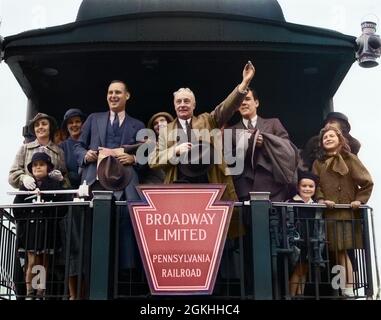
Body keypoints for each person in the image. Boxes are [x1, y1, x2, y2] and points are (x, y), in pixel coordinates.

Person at [149, 61, 255, 207]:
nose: (182, 104)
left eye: (187, 101)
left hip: (209, 182)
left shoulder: (208, 120)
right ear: (174, 105)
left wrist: (244, 82)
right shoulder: (166, 130)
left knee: (214, 226)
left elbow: (227, 106)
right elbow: (153, 160)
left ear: (194, 105)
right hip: (178, 186)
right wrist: (176, 150)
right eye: (178, 101)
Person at [74, 80, 145, 270]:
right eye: (110, 92)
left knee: (127, 221)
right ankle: (90, 268)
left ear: (127, 96)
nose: (113, 96)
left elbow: (147, 154)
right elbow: (78, 146)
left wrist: (133, 159)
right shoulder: (93, 119)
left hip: (125, 181)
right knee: (92, 225)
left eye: (118, 92)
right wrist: (85, 155)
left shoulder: (137, 124)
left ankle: (127, 271)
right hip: (95, 179)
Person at [312, 125, 373, 296]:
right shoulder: (318, 163)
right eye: (325, 137)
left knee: (343, 250)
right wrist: (322, 199)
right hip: (329, 214)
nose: (328, 139)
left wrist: (358, 201)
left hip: (346, 212)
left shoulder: (349, 158)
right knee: (336, 251)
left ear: (340, 139)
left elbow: (367, 182)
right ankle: (344, 288)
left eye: (332, 136)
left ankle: (349, 287)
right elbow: (315, 185)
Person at [227, 87, 298, 202]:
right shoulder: (230, 131)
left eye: (247, 99)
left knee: (274, 220)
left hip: (274, 188)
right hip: (243, 190)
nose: (243, 103)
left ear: (256, 103)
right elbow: (228, 161)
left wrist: (266, 142)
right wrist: (246, 144)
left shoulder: (273, 123)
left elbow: (287, 150)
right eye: (240, 101)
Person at [13, 152, 67, 299]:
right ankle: (30, 292)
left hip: (48, 229)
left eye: (41, 165)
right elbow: (16, 208)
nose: (38, 168)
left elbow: (63, 205)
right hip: (31, 229)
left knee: (43, 262)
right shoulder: (26, 185)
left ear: (48, 168)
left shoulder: (54, 184)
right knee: (31, 261)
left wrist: (61, 182)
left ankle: (40, 292)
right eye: (35, 165)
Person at [59, 108, 89, 300]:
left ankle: (86, 292)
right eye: (70, 122)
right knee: (72, 247)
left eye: (77, 121)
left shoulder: (90, 143)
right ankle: (73, 295)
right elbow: (61, 173)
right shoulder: (62, 147)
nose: (74, 125)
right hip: (71, 202)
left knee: (88, 249)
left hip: (90, 200)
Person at [9, 112, 68, 190]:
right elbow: (12, 176)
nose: (40, 127)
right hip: (28, 197)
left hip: (51, 198)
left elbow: (66, 181)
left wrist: (61, 179)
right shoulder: (24, 149)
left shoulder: (59, 152)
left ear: (50, 127)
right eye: (37, 125)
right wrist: (23, 178)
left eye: (44, 124)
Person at [287, 171, 322, 297]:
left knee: (304, 269)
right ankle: (291, 295)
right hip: (297, 242)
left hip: (310, 241)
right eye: (304, 186)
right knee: (298, 269)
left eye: (311, 186)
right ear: (298, 187)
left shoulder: (316, 205)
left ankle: (300, 294)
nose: (307, 189)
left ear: (315, 188)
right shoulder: (290, 202)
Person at [139, 112, 174, 184]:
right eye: (155, 123)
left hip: (175, 183)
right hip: (154, 184)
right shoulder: (148, 144)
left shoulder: (179, 141)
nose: (159, 124)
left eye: (162, 121)